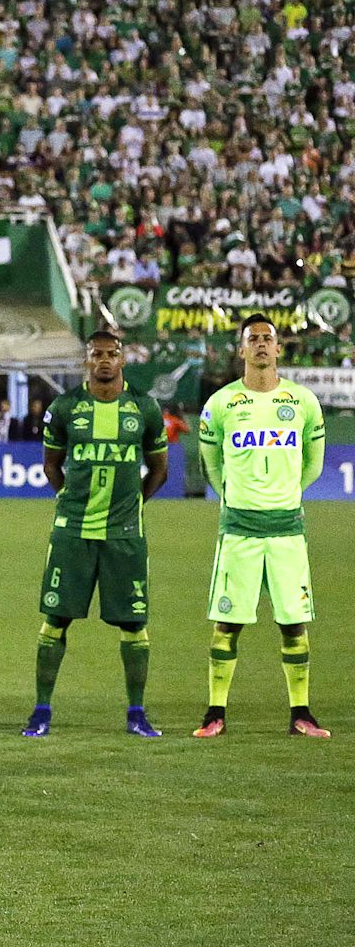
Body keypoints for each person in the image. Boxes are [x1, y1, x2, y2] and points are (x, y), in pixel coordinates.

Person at [21, 331, 169, 739]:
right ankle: (41, 710)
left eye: (112, 354)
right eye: (96, 355)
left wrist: (132, 506)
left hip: (124, 534)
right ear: (86, 360)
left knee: (134, 624)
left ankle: (137, 713)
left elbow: (159, 469)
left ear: (123, 359)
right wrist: (69, 499)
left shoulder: (144, 408)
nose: (104, 361)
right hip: (74, 532)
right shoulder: (65, 407)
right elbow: (52, 464)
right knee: (55, 620)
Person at [193, 315, 330, 738]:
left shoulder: (303, 401)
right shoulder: (220, 404)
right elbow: (210, 466)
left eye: (267, 338)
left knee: (293, 623)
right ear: (241, 349)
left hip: (287, 527)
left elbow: (313, 463)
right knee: (227, 623)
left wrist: (286, 494)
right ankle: (215, 713)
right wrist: (234, 495)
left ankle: (301, 714)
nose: (261, 345)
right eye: (252, 339)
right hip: (239, 529)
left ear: (279, 348)